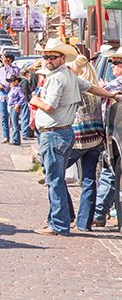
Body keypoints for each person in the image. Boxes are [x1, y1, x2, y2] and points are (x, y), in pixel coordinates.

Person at [28, 39, 122, 236]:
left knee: (54, 180)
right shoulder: (68, 75)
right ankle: (72, 221)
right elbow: (92, 88)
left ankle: (58, 224)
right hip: (68, 133)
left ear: (62, 58)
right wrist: (111, 95)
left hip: (54, 133)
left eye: (52, 57)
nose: (47, 60)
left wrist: (35, 100)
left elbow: (50, 106)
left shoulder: (57, 78)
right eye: (46, 57)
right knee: (73, 179)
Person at [65, 55, 104, 232]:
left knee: (54, 174)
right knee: (89, 180)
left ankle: (67, 213)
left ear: (78, 71)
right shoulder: (97, 87)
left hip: (79, 138)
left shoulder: (78, 87)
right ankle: (84, 222)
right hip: (96, 137)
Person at [93, 49, 122, 227]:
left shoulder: (116, 84)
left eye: (116, 62)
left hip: (114, 132)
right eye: (112, 62)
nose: (112, 65)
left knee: (110, 171)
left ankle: (99, 212)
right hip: (112, 131)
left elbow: (100, 91)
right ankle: (100, 212)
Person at [0, 52, 19, 143]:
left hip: (12, 93)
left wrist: (7, 65)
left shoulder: (15, 69)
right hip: (3, 93)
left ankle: (15, 138)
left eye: (7, 60)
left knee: (13, 117)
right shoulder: (0, 70)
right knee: (4, 116)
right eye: (4, 59)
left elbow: (14, 76)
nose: (5, 61)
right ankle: (6, 136)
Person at [6, 75, 27, 145]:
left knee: (15, 124)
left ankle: (16, 140)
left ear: (16, 81)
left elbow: (22, 97)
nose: (11, 82)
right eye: (11, 81)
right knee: (13, 123)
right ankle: (15, 139)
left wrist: (18, 105)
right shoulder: (12, 89)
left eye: (13, 81)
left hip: (14, 106)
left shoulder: (18, 89)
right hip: (11, 106)